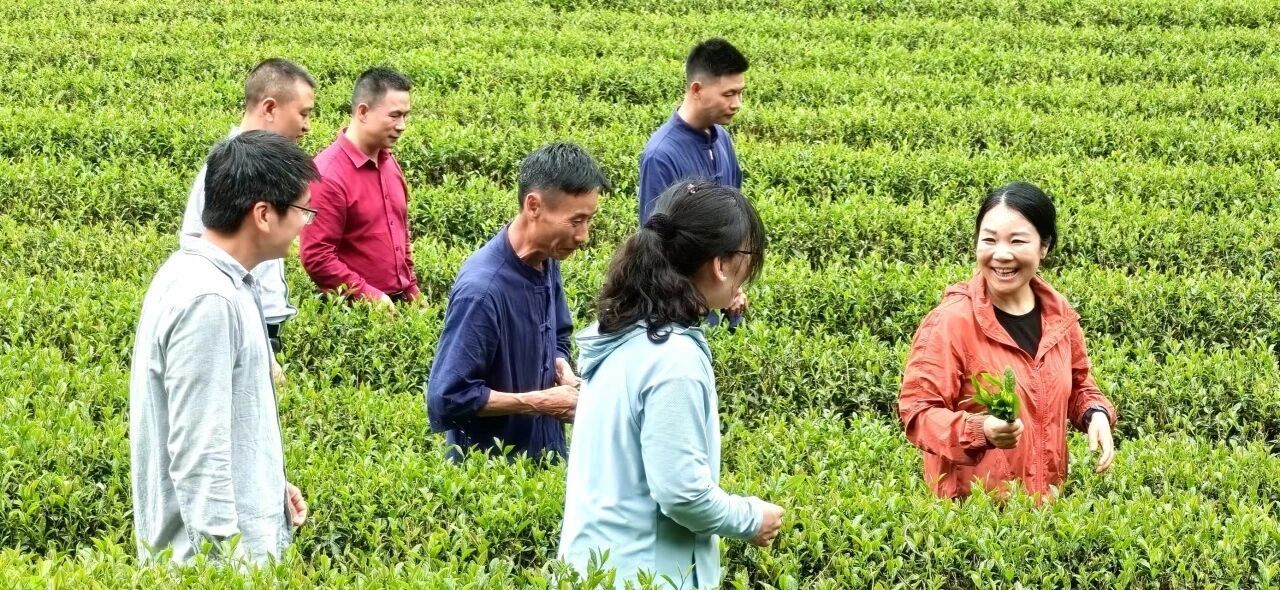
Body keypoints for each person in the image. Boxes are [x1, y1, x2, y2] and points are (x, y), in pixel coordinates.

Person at [559, 180, 784, 589]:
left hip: (596, 568)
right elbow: (681, 493)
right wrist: (752, 518)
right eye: (748, 257)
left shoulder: (623, 334)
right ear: (720, 264)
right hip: (645, 573)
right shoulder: (674, 359)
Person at [131, 131, 317, 564]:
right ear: (264, 214)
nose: (304, 225)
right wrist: (227, 565)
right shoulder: (209, 300)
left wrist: (268, 485)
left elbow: (226, 422)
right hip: (215, 566)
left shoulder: (210, 278)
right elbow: (198, 453)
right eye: (303, 211)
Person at [898, 181, 1117, 500]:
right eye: (989, 240)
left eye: (1017, 241)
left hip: (1043, 510)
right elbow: (918, 413)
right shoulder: (951, 321)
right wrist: (979, 431)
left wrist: (1094, 413)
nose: (1001, 254)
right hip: (974, 515)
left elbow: (1078, 384)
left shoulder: (1058, 316)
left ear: (1043, 247)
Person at [426, 143, 609, 461]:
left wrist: (559, 363)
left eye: (588, 220)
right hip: (491, 475)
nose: (583, 236)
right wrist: (539, 402)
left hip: (545, 458)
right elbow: (448, 396)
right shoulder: (482, 291)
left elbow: (558, 334)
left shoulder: (547, 258)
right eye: (576, 221)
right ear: (534, 206)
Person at [180, 58, 315, 382]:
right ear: (269, 108)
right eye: (303, 113)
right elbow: (205, 256)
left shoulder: (262, 168)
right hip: (242, 323)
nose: (307, 126)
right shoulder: (228, 170)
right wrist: (262, 351)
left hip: (258, 322)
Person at [639, 38, 750, 328]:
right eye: (729, 94)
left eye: (740, 93)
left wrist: (733, 286)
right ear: (697, 90)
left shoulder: (722, 139)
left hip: (721, 302)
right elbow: (657, 249)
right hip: (685, 316)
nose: (737, 104)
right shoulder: (662, 155)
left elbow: (735, 220)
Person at [300, 67, 420, 304]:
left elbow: (400, 232)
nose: (402, 125)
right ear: (363, 112)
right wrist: (370, 296)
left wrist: (411, 288)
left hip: (397, 305)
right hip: (359, 312)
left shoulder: (389, 162)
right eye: (394, 115)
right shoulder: (326, 175)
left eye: (405, 116)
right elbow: (316, 256)